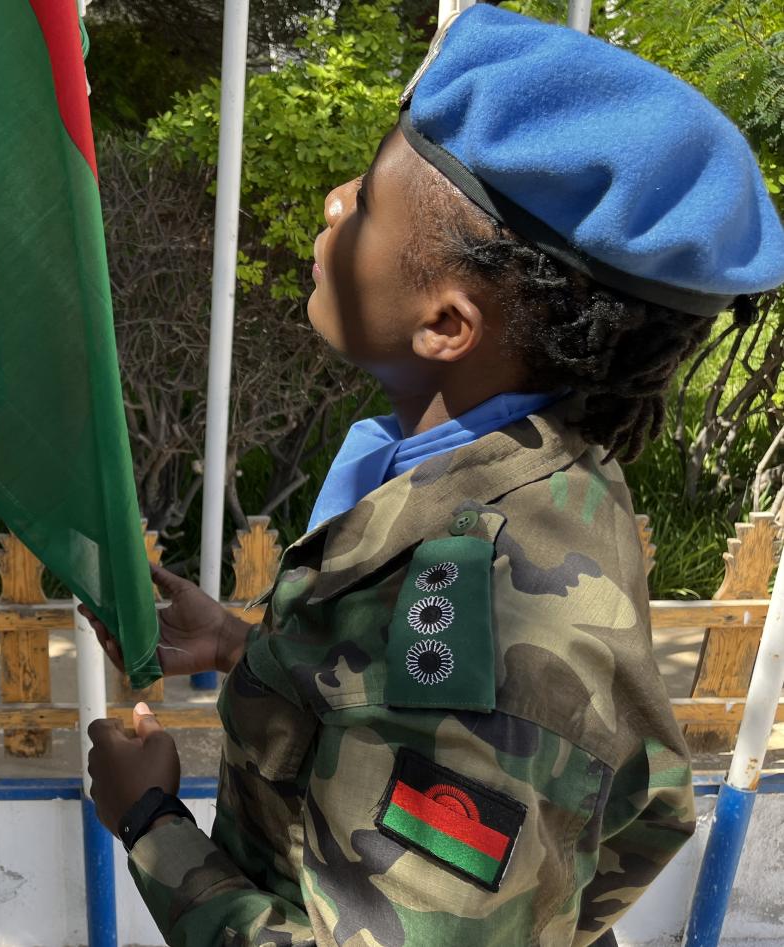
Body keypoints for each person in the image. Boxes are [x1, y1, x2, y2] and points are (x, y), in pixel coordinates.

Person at [84, 7, 784, 946]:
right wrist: (241, 645)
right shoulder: (517, 469)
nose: (334, 202)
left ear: (447, 326)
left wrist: (149, 822)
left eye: (370, 201)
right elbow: (374, 712)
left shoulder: (484, 641)